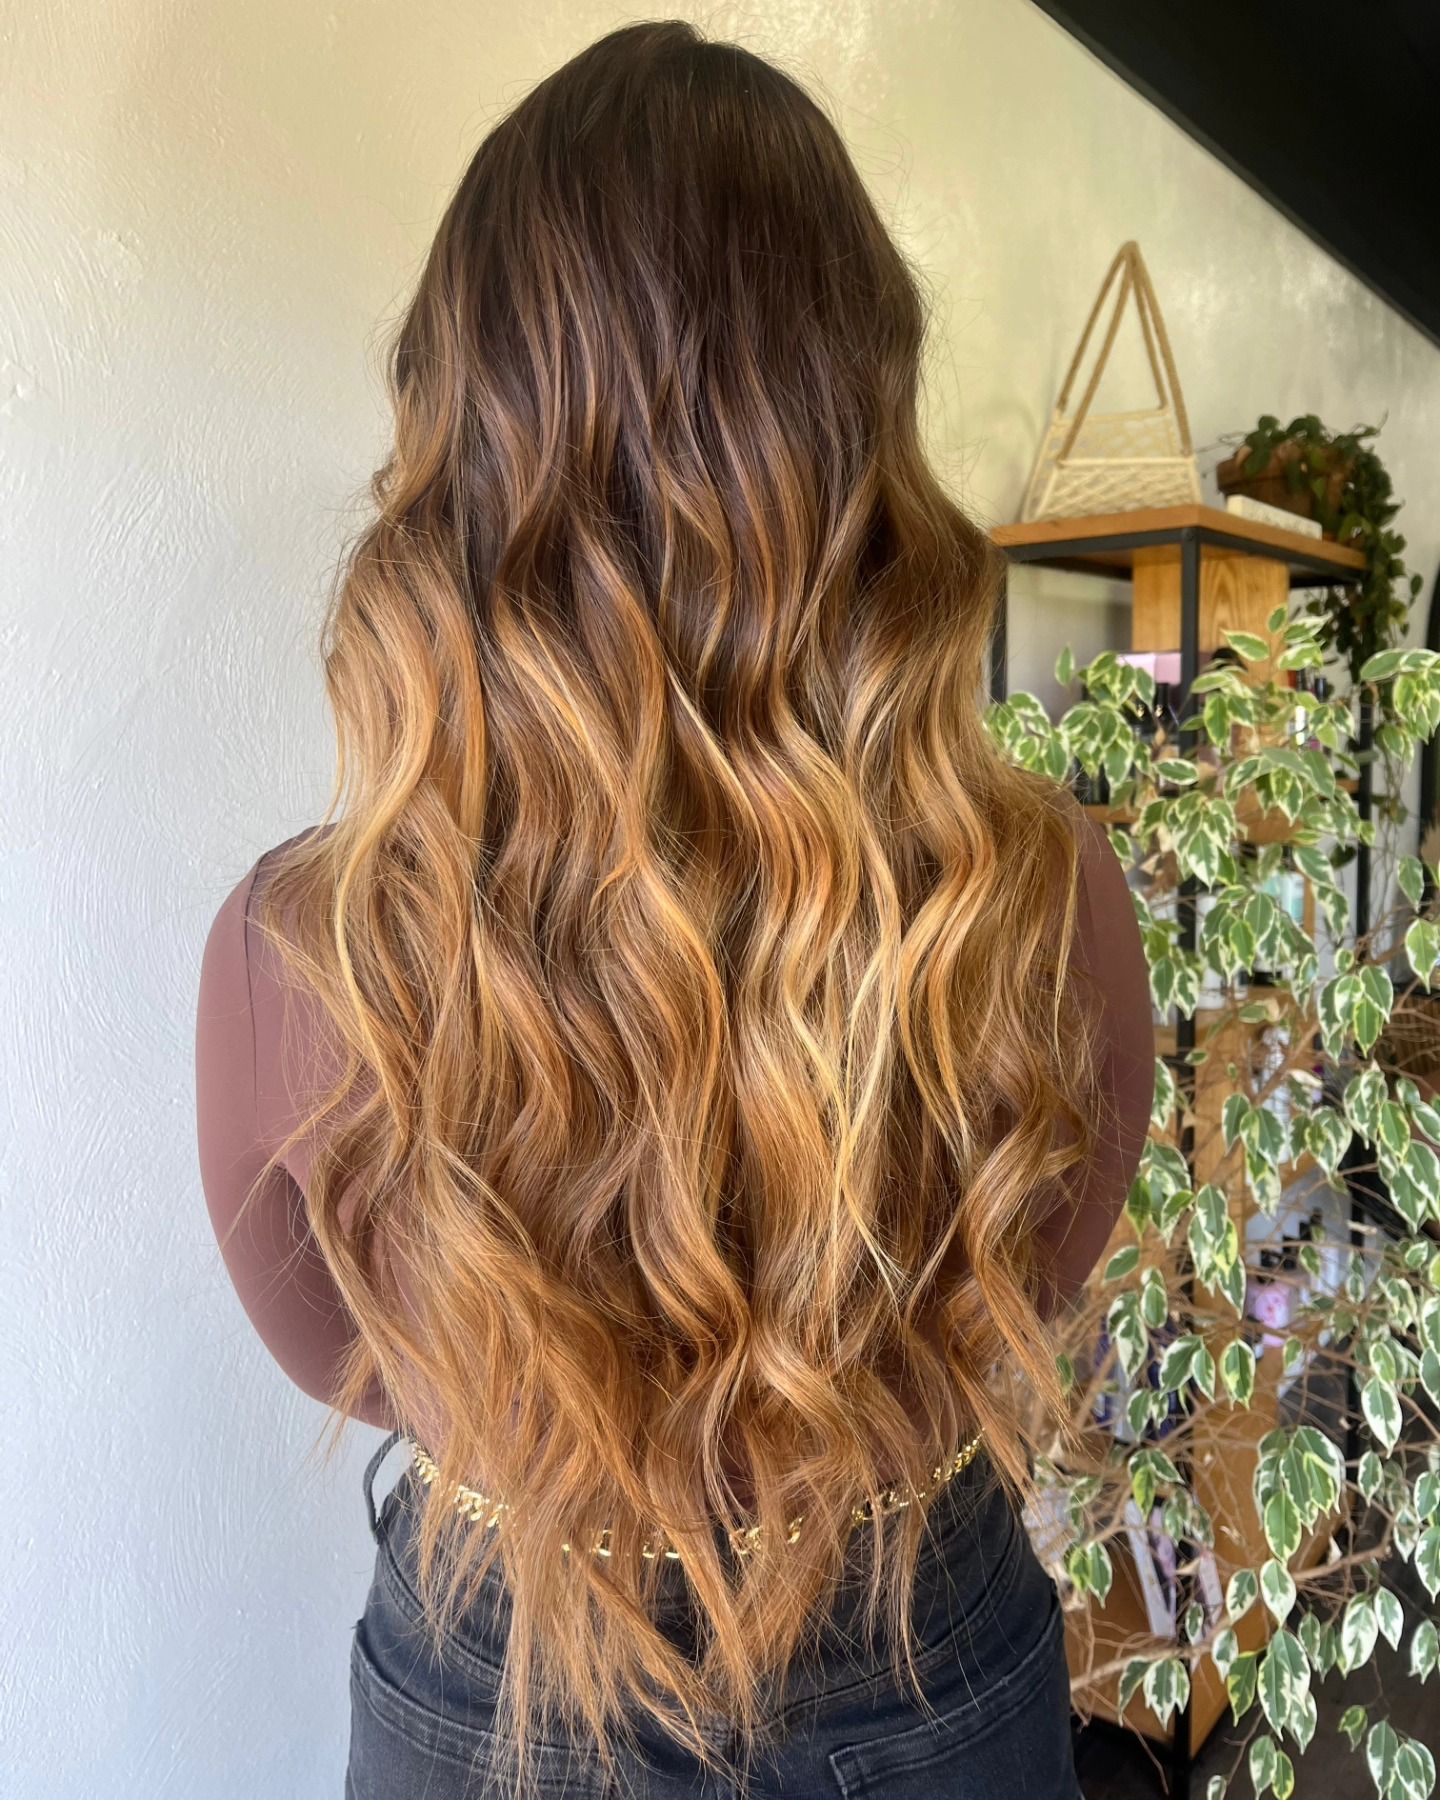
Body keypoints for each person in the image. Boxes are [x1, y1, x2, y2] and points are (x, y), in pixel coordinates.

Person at [194, 20, 1155, 1798]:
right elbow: (1044, 1253)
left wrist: (552, 1412)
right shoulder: (1049, 895)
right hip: (916, 1624)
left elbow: (347, 1351)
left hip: (500, 1666)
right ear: (860, 425)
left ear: (458, 432)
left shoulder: (297, 952)